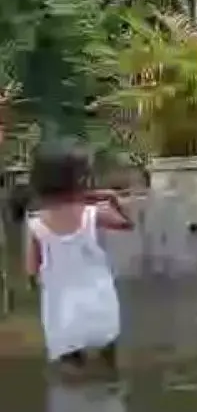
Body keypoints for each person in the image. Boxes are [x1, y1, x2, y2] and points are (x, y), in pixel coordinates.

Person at [23, 138, 133, 374]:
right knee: (108, 368)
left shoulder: (35, 225)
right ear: (81, 181)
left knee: (70, 377)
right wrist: (113, 199)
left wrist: (38, 283)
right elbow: (128, 223)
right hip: (100, 308)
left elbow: (31, 270)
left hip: (62, 315)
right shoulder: (95, 214)